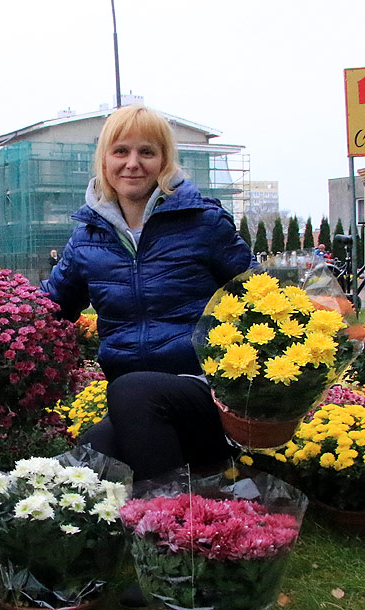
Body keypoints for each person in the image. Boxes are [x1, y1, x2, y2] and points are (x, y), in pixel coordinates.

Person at [42, 105, 256, 483]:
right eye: (121, 151)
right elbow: (49, 308)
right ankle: (211, 493)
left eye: (147, 152)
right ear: (104, 160)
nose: (132, 164)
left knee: (133, 392)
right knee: (81, 469)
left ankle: (170, 521)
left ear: (164, 160)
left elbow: (261, 296)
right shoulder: (87, 239)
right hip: (134, 405)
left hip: (206, 396)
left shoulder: (203, 222)